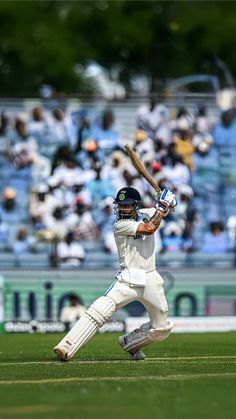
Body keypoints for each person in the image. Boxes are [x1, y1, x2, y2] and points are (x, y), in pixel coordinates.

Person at [53, 185, 176, 361]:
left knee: (161, 328)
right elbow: (150, 228)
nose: (124, 209)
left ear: (136, 205)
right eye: (121, 205)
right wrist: (163, 207)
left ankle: (130, 342)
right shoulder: (120, 224)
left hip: (150, 277)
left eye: (128, 205)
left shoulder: (148, 212)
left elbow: (161, 212)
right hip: (128, 277)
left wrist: (168, 202)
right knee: (100, 309)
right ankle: (67, 346)